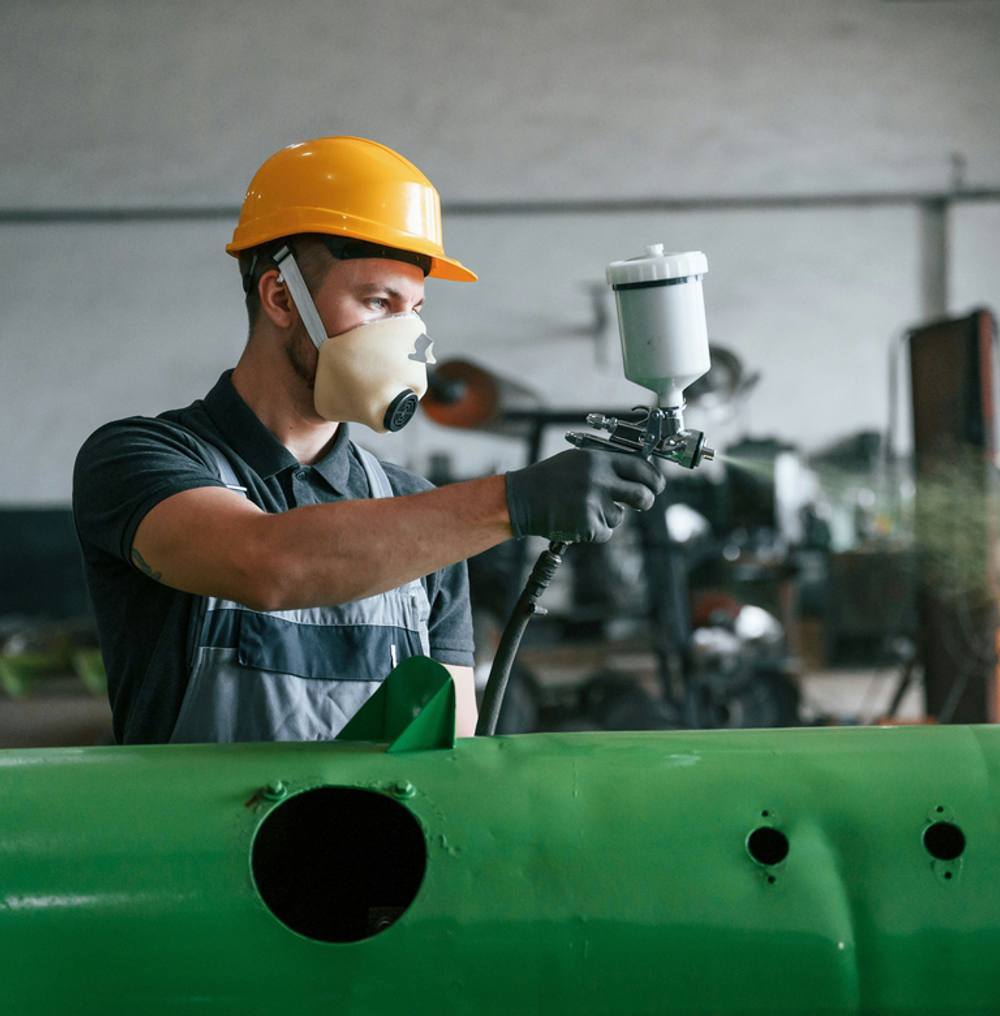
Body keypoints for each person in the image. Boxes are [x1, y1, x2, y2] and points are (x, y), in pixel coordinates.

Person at [72, 136, 665, 745]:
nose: (408, 338)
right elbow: (265, 563)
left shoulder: (421, 510)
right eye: (378, 302)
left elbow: (448, 745)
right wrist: (510, 503)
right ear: (281, 298)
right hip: (201, 840)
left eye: (414, 309)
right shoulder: (139, 459)